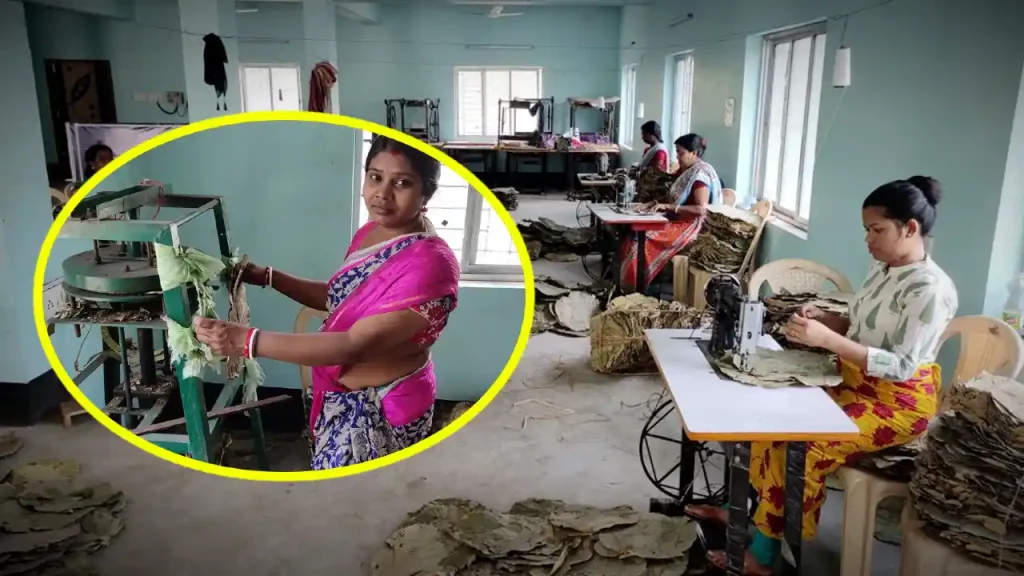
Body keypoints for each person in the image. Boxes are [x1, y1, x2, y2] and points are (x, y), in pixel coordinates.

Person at [688, 176, 958, 575]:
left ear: (910, 228)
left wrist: (829, 340)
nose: (869, 239)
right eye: (867, 230)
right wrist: (829, 320)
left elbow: (901, 365)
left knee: (802, 447)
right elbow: (861, 324)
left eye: (877, 230)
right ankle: (742, 513)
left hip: (896, 402)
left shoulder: (930, 289)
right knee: (767, 423)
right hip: (852, 380)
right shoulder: (884, 268)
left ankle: (764, 554)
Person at [193, 135, 461, 471]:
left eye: (402, 183)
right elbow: (339, 299)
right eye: (375, 177)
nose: (382, 193)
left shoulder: (430, 263)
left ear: (427, 193)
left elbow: (354, 344)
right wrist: (267, 276)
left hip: (380, 412)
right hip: (338, 396)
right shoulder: (371, 233)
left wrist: (244, 340)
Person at [620, 133, 721, 293]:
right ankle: (629, 282)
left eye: (681, 153)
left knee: (640, 237)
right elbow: (674, 195)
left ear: (693, 153)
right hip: (680, 220)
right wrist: (654, 204)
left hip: (693, 226)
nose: (678, 157)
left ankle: (637, 286)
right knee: (633, 230)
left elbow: (701, 210)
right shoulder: (689, 170)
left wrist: (668, 207)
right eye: (677, 153)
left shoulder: (700, 175)